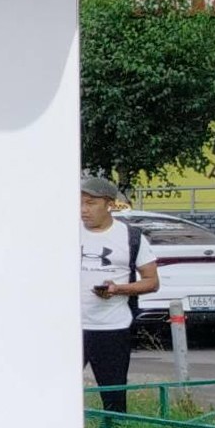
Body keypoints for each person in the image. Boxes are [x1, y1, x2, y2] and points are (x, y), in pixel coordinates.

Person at [78, 173, 157, 415]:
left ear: (109, 204)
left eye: (91, 203)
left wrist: (118, 289)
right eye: (80, 203)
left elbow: (152, 281)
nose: (83, 210)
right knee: (54, 392)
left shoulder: (130, 237)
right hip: (69, 329)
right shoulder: (65, 233)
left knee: (114, 399)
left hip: (112, 327)